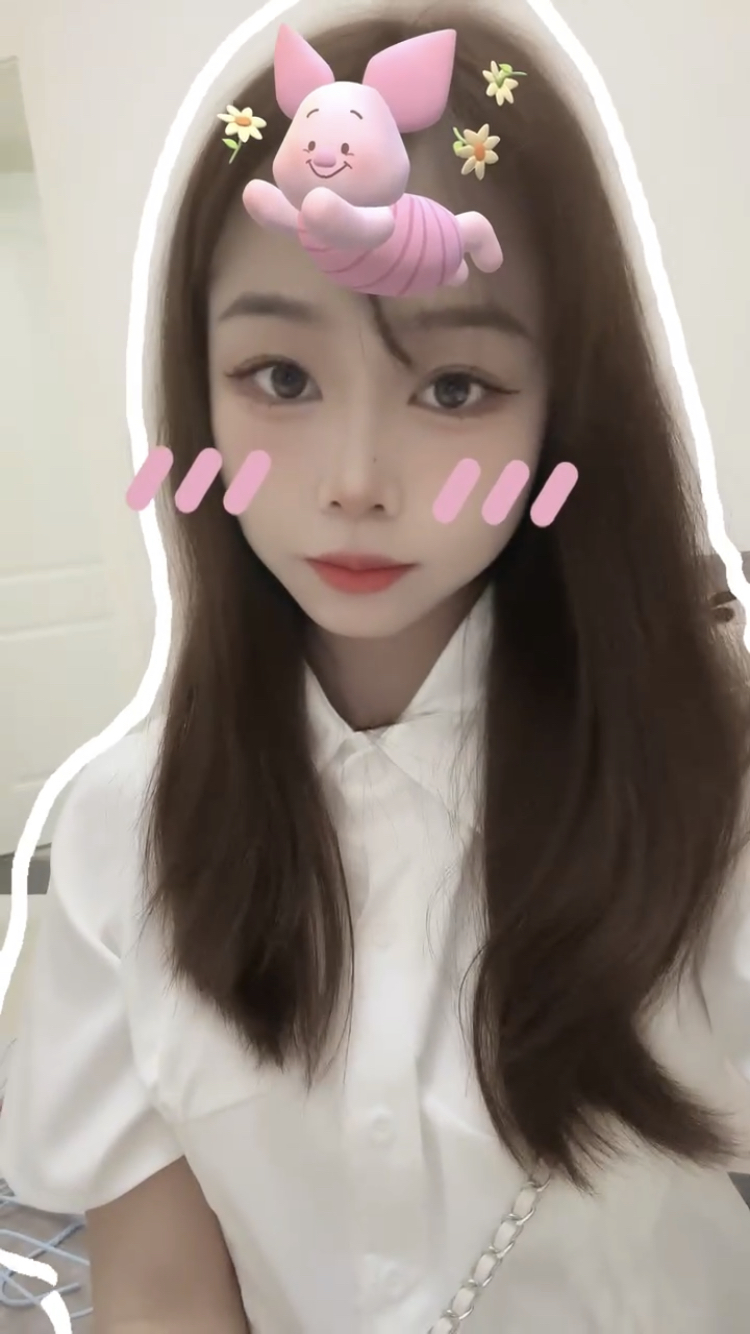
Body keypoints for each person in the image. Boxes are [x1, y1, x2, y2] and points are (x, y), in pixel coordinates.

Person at [2, 7, 750, 1332]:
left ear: (562, 407)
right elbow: (162, 1296)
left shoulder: (712, 782)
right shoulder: (127, 836)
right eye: (280, 376)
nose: (353, 480)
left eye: (453, 386)